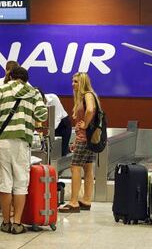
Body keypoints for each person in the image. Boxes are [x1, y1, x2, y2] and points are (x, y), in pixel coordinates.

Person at [0, 66, 48, 234]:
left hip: (2, 141)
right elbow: (43, 116)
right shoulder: (34, 92)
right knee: (20, 182)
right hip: (22, 141)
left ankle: (5, 222)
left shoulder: (1, 89)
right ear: (26, 79)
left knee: (4, 181)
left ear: (10, 76)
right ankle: (17, 223)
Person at [59, 72, 98, 213]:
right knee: (88, 168)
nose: (72, 84)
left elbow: (90, 110)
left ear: (82, 82)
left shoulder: (87, 95)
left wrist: (85, 124)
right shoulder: (84, 97)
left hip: (86, 139)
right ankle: (86, 200)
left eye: (76, 81)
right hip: (87, 138)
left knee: (75, 167)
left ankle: (74, 202)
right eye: (72, 81)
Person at [37, 90, 72, 157]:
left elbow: (57, 117)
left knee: (62, 152)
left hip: (63, 125)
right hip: (52, 126)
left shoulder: (53, 98)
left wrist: (49, 132)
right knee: (51, 152)